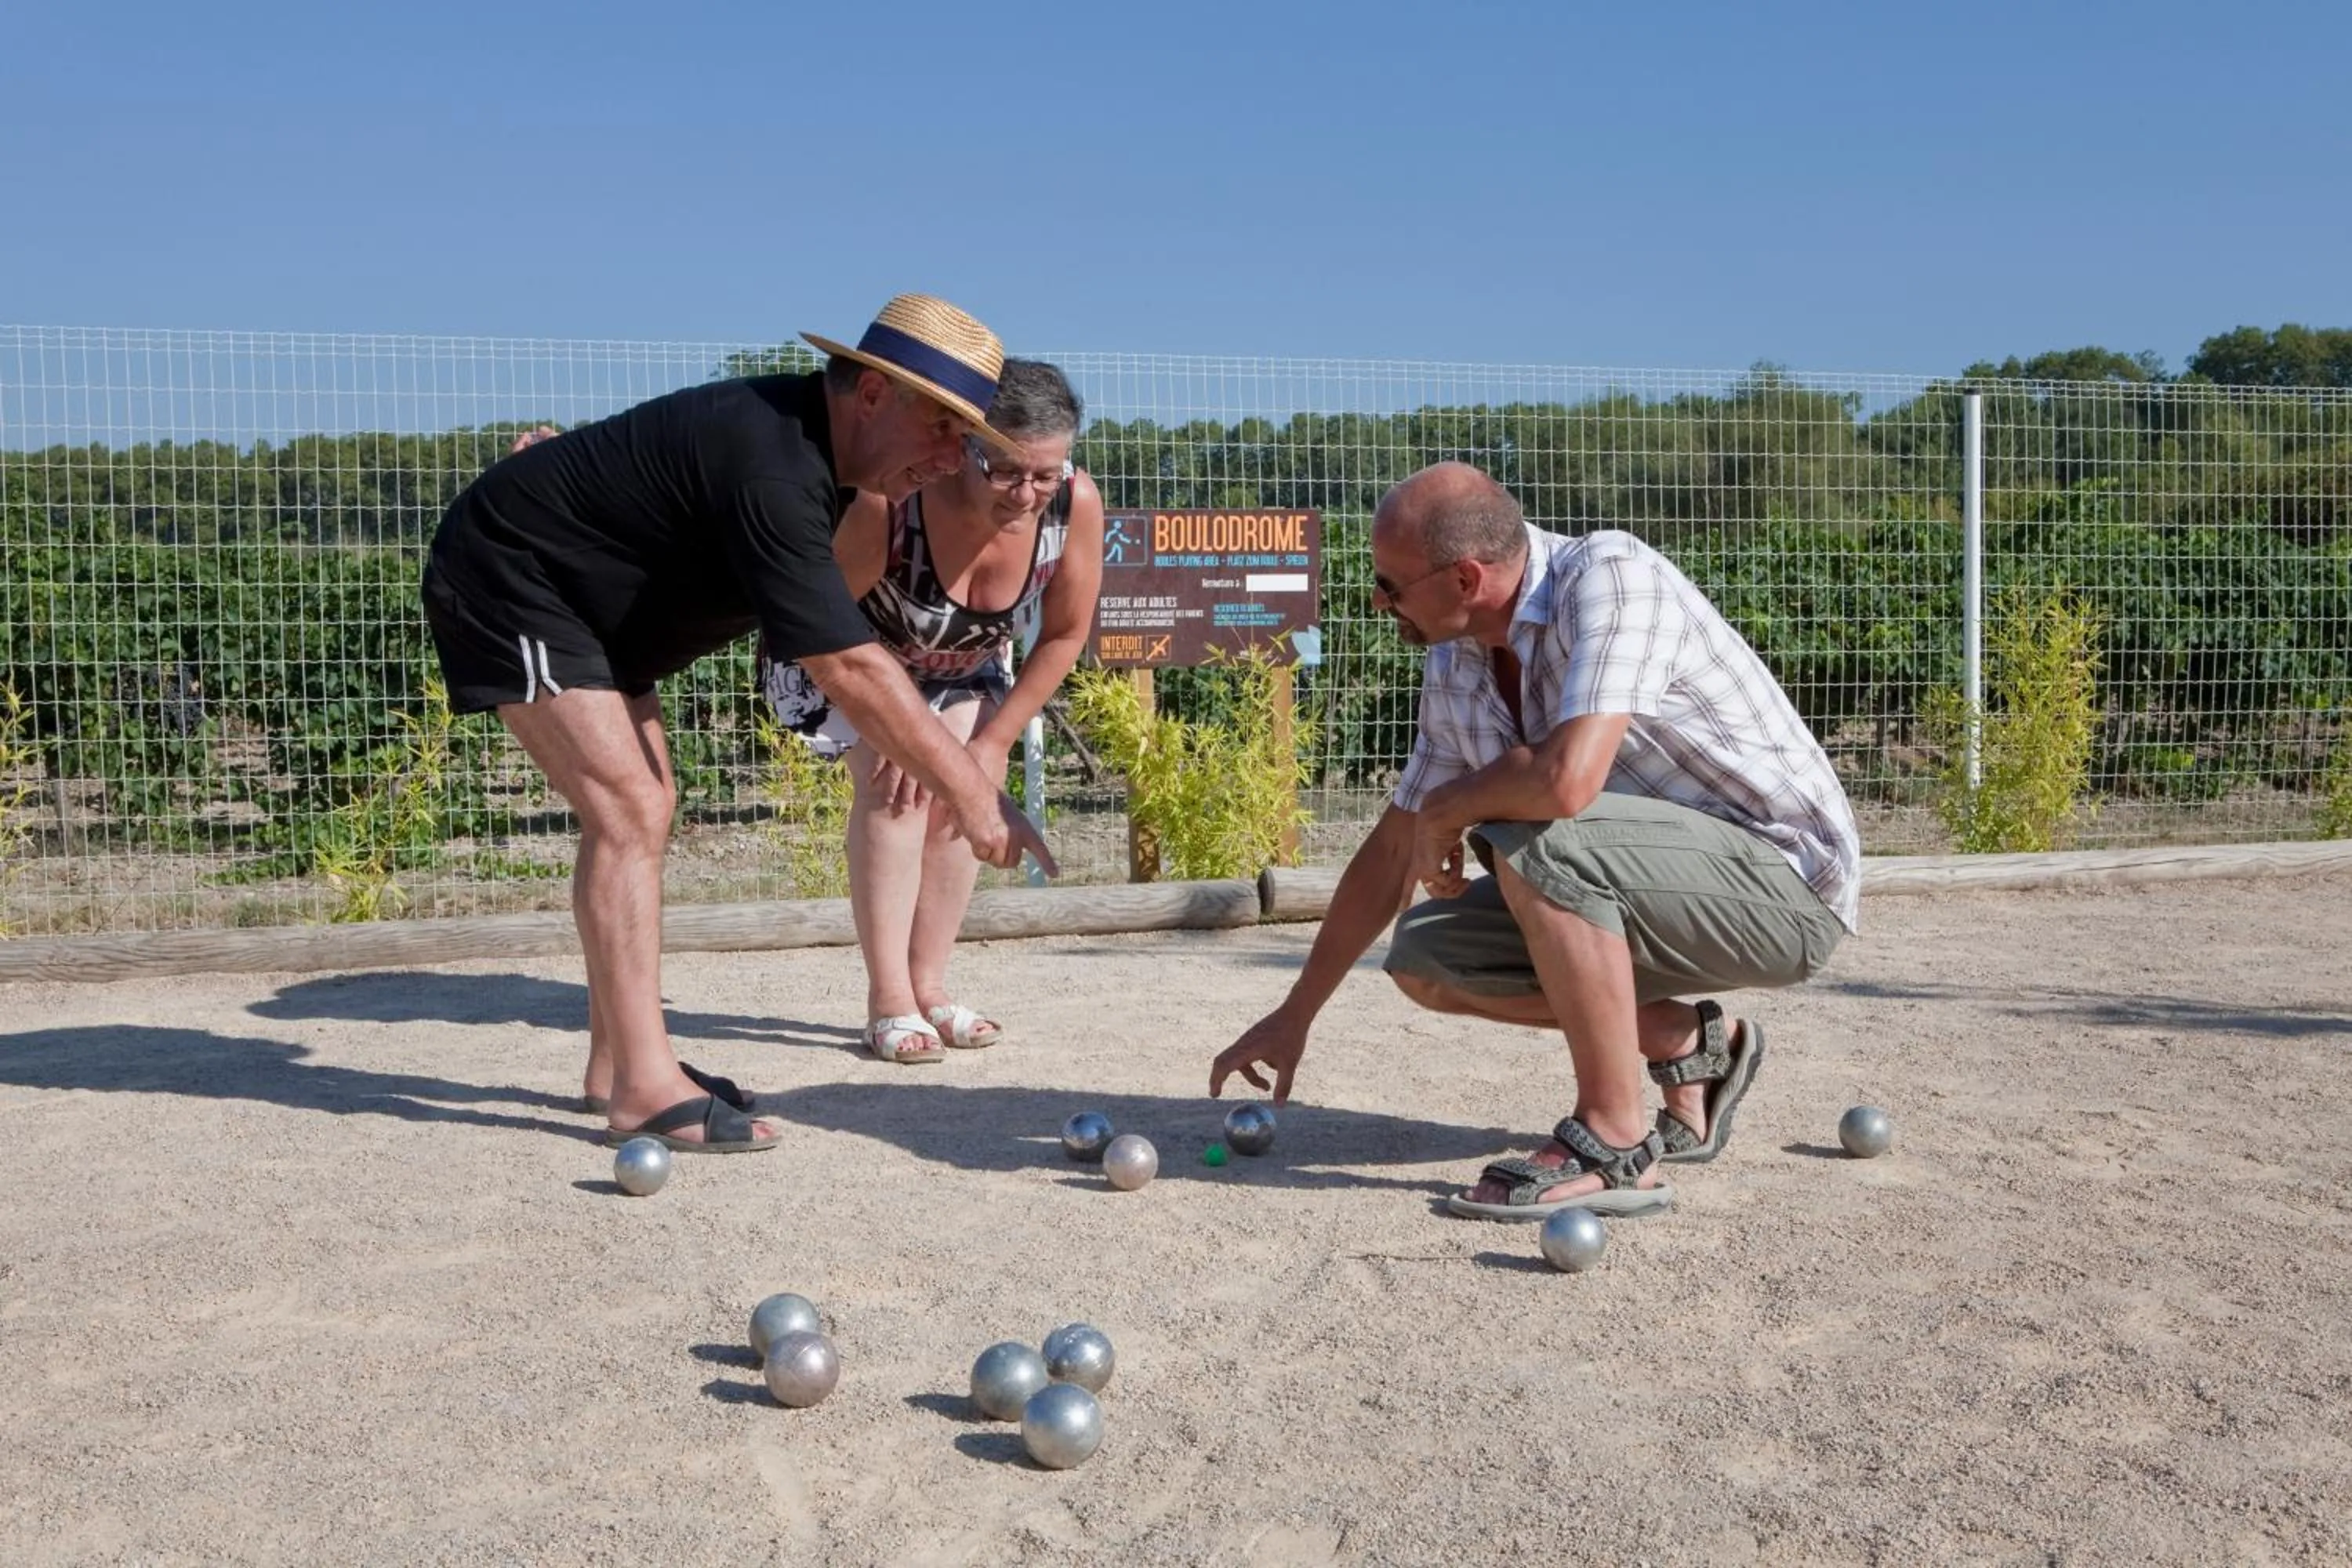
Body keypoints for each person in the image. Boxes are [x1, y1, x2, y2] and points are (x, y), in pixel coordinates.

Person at [420, 295, 1055, 1155]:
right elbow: (846, 664)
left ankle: (620, 1067)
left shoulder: (829, 470)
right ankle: (644, 1087)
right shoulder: (775, 462)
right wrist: (975, 795)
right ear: (873, 394)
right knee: (628, 810)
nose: (952, 460)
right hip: (513, 572)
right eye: (943, 428)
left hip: (597, 614)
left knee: (647, 805)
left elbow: (845, 612)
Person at [1208, 463, 1858, 1218]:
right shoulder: (1457, 661)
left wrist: (1451, 808)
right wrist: (1296, 1015)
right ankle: (1689, 1043)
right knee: (1429, 956)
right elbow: (1393, 847)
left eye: (1390, 585)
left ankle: (1614, 1140)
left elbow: (1564, 784)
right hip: (1649, 892)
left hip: (1782, 889)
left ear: (1464, 578)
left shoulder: (1611, 577)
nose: (1379, 603)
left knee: (1534, 833)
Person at [759, 360, 1105, 1062]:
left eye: (1046, 473)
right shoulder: (894, 499)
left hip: (963, 667)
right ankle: (889, 999)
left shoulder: (1074, 503)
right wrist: (911, 734)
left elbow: (1066, 634)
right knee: (901, 784)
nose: (1028, 493)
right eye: (1006, 470)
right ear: (964, 444)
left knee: (965, 788)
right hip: (852, 657)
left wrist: (989, 748)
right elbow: (832, 629)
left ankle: (931, 987)